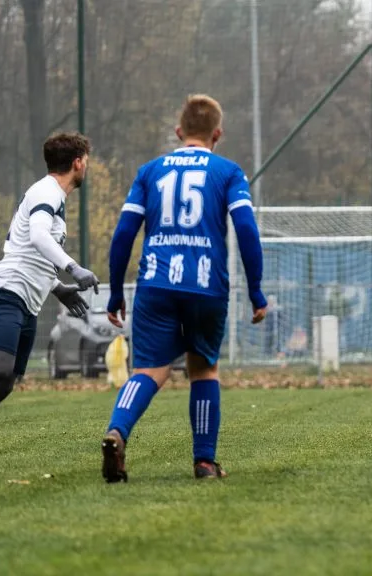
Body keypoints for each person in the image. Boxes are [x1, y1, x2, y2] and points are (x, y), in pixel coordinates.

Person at [101, 94, 267, 482]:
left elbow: (125, 232)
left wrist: (114, 291)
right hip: (207, 284)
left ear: (179, 132)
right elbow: (246, 230)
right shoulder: (228, 172)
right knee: (203, 369)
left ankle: (117, 432)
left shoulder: (149, 171)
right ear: (217, 134)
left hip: (156, 282)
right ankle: (204, 462)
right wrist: (256, 292)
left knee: (148, 370)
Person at [0, 133, 98, 436]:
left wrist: (56, 287)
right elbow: (38, 238)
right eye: (86, 162)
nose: (86, 168)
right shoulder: (47, 192)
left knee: (4, 381)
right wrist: (73, 268)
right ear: (77, 163)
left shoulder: (50, 196)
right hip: (5, 292)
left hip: (25, 299)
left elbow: (27, 250)